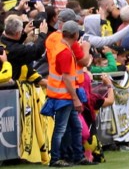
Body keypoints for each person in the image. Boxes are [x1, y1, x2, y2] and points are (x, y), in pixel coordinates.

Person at [45, 16, 88, 167]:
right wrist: (75, 98)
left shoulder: (60, 47)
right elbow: (67, 78)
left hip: (61, 95)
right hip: (64, 96)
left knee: (74, 127)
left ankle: (77, 156)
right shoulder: (65, 52)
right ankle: (55, 159)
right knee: (61, 129)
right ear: (75, 35)